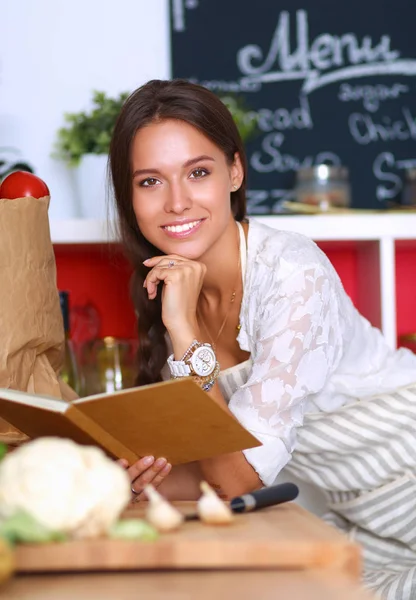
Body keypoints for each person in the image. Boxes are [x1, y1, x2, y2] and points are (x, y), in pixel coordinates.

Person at [109, 78, 416, 599]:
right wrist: (133, 480)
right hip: (339, 518)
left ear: (235, 171)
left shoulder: (293, 273)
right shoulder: (174, 291)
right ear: (130, 197)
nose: (177, 202)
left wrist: (184, 333)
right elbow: (217, 467)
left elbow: (238, 480)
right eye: (150, 182)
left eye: (198, 173)